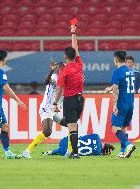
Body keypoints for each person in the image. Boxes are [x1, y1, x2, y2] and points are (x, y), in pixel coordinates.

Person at [21, 60, 68, 158]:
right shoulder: (54, 77)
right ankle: (27, 151)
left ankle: (70, 151)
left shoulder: (67, 81)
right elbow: (46, 81)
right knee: (47, 132)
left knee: (70, 124)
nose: (63, 70)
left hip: (54, 110)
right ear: (58, 70)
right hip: (46, 108)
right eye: (61, 68)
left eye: (64, 68)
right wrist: (51, 70)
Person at [53, 24, 84, 159]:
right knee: (73, 124)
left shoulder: (64, 72)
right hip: (80, 100)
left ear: (65, 57)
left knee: (71, 126)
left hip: (70, 100)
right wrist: (73, 33)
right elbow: (76, 48)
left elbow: (59, 88)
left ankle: (75, 153)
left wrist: (55, 103)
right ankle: (73, 151)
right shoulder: (79, 65)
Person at [104, 51, 136, 158]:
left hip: (121, 103)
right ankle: (122, 151)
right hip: (130, 103)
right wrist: (110, 88)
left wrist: (115, 104)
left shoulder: (117, 71)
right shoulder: (131, 71)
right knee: (123, 127)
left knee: (115, 127)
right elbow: (123, 85)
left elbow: (116, 89)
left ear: (116, 59)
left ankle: (128, 145)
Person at [41, 133, 115, 157]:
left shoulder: (97, 136)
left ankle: (51, 152)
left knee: (76, 138)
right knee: (62, 151)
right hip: (69, 152)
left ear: (104, 143)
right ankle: (52, 152)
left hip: (67, 141)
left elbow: (84, 137)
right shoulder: (98, 153)